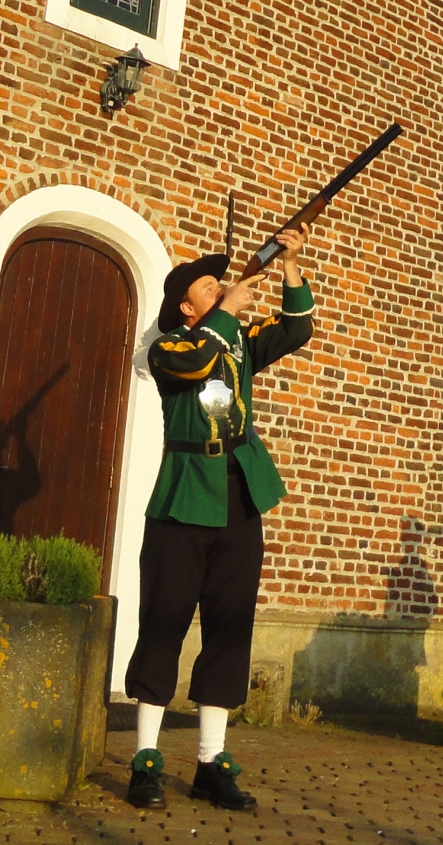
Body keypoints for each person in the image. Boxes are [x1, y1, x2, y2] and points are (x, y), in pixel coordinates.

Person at [120, 227, 315, 815]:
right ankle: (146, 758)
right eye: (212, 287)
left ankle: (210, 759)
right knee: (164, 623)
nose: (226, 287)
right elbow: (201, 357)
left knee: (229, 629)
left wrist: (289, 266)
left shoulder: (235, 339)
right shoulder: (171, 346)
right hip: (184, 498)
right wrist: (228, 310)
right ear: (187, 306)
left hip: (239, 496)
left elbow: (296, 329)